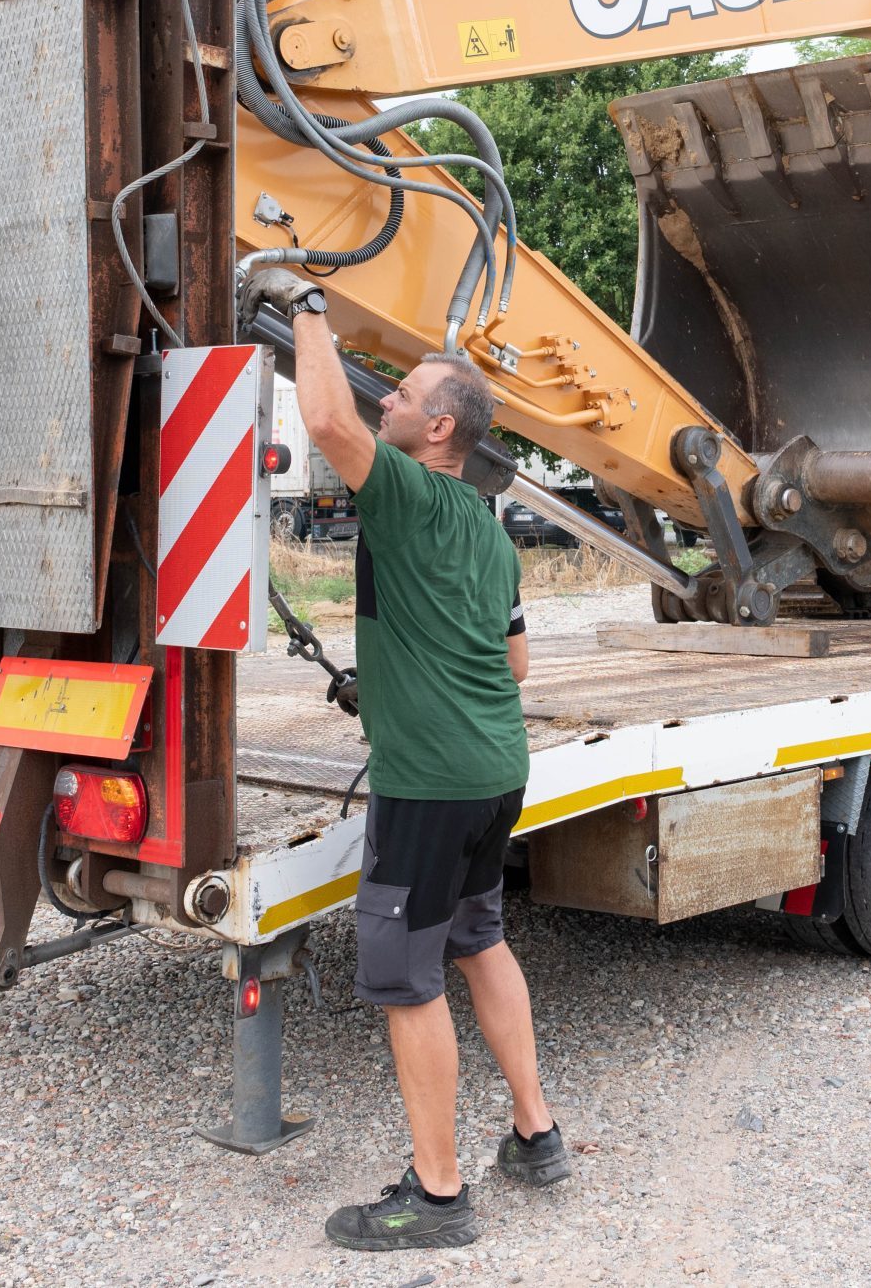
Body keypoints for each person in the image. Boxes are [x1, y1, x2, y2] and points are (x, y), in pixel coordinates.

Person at [247, 268, 569, 1252]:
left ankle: (437, 1196)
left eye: (405, 392)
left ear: (438, 430)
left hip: (428, 786)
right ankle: (536, 1134)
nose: (385, 397)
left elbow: (325, 416)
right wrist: (387, 679)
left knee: (404, 975)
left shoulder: (406, 495)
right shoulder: (487, 528)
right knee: (478, 937)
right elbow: (511, 660)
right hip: (495, 770)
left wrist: (304, 306)